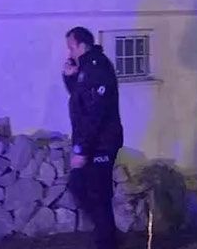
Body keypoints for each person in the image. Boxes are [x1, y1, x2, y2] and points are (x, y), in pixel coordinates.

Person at [63, 27, 124, 249]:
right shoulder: (86, 67)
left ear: (82, 45)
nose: (69, 52)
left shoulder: (97, 68)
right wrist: (69, 77)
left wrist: (82, 150)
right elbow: (79, 99)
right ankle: (107, 237)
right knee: (82, 187)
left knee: (95, 193)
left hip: (101, 144)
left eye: (71, 47)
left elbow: (94, 114)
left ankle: (107, 241)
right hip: (94, 142)